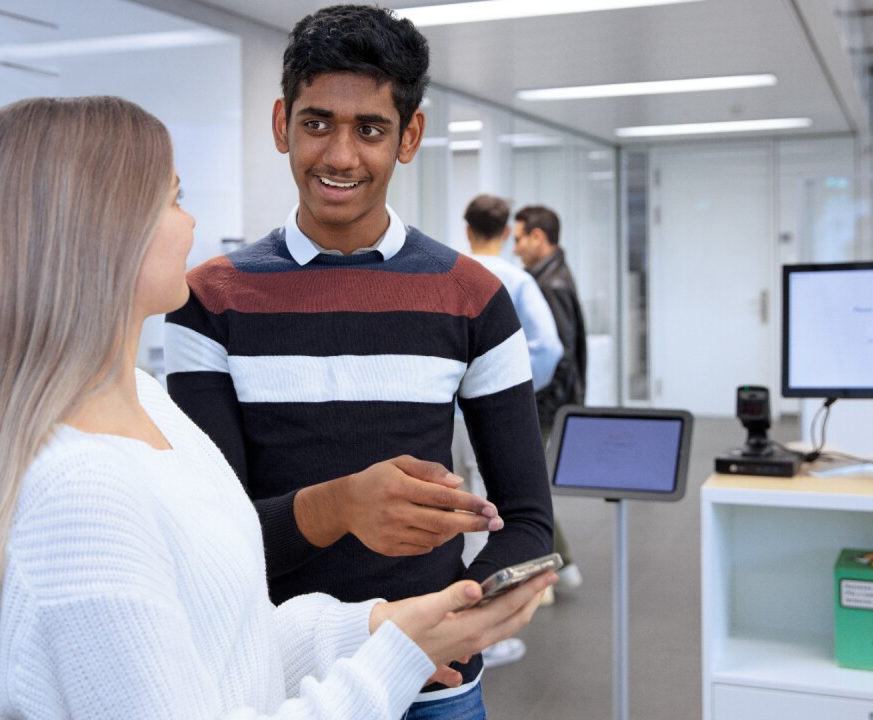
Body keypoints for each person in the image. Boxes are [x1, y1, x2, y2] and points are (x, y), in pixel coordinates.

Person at [0, 96, 556, 719]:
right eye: (173, 199)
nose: (190, 223)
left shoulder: (148, 404)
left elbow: (229, 641)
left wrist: (376, 625)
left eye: (369, 128)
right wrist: (395, 653)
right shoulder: (81, 490)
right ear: (101, 230)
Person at [165, 6, 555, 717]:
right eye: (318, 123)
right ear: (283, 124)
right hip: (275, 683)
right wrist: (339, 508)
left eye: (369, 129)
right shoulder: (207, 301)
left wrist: (452, 626)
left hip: (433, 688)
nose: (340, 156)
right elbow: (214, 543)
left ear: (410, 137)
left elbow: (528, 519)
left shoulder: (474, 298)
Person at [454, 194, 563, 669]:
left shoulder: (448, 272)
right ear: (506, 233)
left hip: (445, 419)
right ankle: (480, 632)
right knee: (489, 513)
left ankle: (440, 618)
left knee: (448, 510)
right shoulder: (516, 279)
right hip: (487, 418)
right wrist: (510, 397)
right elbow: (550, 348)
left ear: (467, 228)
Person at [512, 204, 587, 590]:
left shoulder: (550, 285)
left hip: (544, 406)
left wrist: (535, 403)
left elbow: (557, 354)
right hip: (550, 404)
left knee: (526, 488)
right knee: (530, 484)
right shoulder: (549, 277)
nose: (516, 248)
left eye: (520, 238)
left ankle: (560, 567)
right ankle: (560, 566)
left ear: (538, 237)